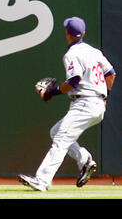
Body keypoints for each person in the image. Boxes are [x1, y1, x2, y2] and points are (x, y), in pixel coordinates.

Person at [18, 16, 116, 191]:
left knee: (61, 139)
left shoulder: (71, 54)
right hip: (97, 104)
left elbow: (74, 81)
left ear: (67, 34)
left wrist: (52, 92)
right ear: (83, 33)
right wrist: (105, 96)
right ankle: (84, 160)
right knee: (56, 132)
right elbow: (111, 74)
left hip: (85, 103)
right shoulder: (94, 52)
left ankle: (42, 181)